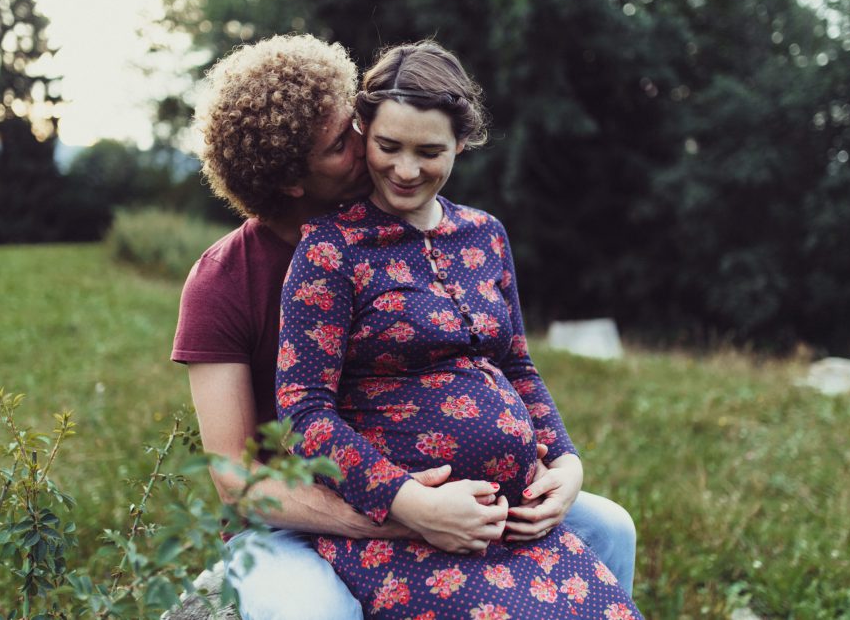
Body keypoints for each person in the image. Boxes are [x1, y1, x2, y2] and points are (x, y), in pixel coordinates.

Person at [172, 34, 636, 620]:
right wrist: (402, 516)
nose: (372, 144)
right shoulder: (225, 281)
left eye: (359, 122)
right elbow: (239, 481)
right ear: (291, 178)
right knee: (311, 612)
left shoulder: (417, 229)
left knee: (611, 527)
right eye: (346, 141)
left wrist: (562, 463)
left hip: (451, 491)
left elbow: (505, 360)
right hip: (296, 515)